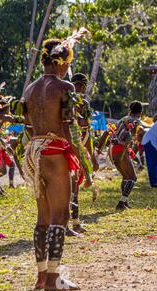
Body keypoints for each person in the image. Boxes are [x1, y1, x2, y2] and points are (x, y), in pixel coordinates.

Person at [22, 37, 92, 290]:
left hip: (35, 152)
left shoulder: (30, 89)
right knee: (60, 215)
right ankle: (53, 278)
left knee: (43, 217)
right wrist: (82, 158)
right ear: (62, 63)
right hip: (54, 151)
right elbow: (68, 126)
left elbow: (28, 126)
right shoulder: (65, 87)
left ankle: (41, 276)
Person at [67, 73, 99, 234]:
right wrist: (91, 158)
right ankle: (69, 224)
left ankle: (75, 223)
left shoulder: (68, 100)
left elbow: (86, 133)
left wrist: (91, 158)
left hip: (73, 148)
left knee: (74, 188)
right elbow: (83, 129)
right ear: (83, 86)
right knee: (71, 188)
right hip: (69, 149)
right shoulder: (72, 101)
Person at [110, 101, 146, 210]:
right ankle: (121, 203)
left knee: (126, 177)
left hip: (113, 150)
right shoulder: (136, 121)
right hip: (121, 149)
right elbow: (130, 136)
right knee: (133, 178)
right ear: (140, 112)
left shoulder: (123, 119)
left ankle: (124, 202)